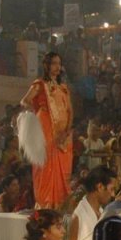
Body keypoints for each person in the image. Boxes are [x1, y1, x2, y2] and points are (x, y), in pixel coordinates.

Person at [20, 51, 74, 210]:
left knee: (62, 168)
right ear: (46, 65)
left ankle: (60, 204)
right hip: (46, 127)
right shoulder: (39, 85)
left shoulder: (63, 88)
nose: (57, 67)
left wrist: (67, 130)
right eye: (54, 63)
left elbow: (70, 110)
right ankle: (45, 204)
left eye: (59, 63)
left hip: (63, 133)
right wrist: (39, 113)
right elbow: (25, 101)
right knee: (46, 165)